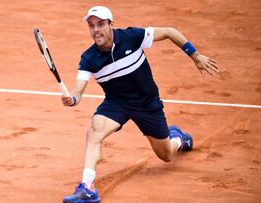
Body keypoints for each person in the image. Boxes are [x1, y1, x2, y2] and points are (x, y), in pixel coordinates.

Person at [61, 5, 219, 203]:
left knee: (166, 155)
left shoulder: (132, 37)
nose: (96, 30)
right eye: (91, 26)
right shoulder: (89, 58)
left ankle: (177, 138)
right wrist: (73, 98)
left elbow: (170, 32)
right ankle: (87, 186)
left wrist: (195, 56)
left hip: (147, 103)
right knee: (94, 131)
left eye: (101, 24)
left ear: (111, 24)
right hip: (116, 102)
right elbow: (78, 89)